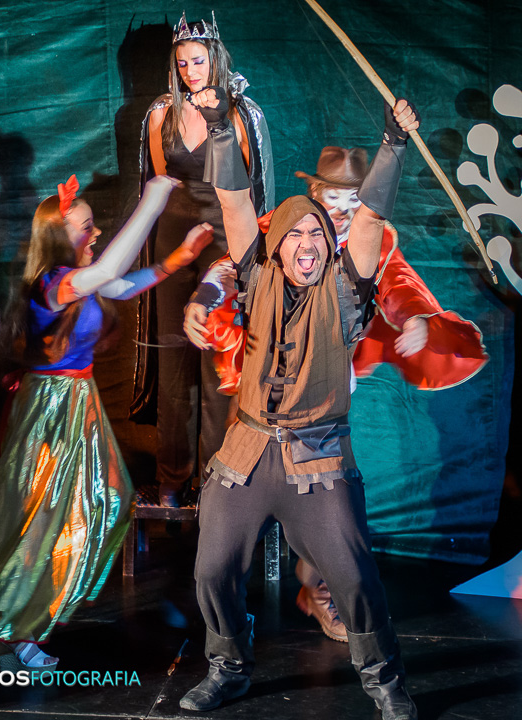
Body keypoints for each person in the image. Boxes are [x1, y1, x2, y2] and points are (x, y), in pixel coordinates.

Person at [178, 84, 421, 720]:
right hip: (248, 451)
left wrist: (393, 142)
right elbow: (234, 202)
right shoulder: (256, 278)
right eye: (297, 233)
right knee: (211, 571)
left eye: (318, 233)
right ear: (278, 245)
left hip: (319, 456)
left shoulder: (344, 291)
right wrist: (220, 129)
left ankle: (384, 680)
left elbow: (369, 220)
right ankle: (229, 667)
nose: (309, 240)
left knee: (356, 578)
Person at [184, 146, 488, 642]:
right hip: (263, 380)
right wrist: (205, 296)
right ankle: (232, 641)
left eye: (354, 198)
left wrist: (415, 319)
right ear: (315, 193)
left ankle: (322, 591)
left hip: (321, 385)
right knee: (238, 513)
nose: (344, 208)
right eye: (334, 197)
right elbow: (230, 262)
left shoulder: (369, 240)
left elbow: (398, 282)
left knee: (326, 508)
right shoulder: (284, 229)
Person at [0, 174, 213, 669]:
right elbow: (111, 270)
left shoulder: (75, 278)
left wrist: (177, 259)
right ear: (57, 234)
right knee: (38, 522)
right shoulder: (53, 284)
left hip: (76, 403)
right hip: (50, 411)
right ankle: (13, 629)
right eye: (85, 226)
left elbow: (121, 283)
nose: (95, 233)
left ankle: (25, 619)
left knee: (98, 504)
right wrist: (153, 200)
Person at [129, 12, 273, 507]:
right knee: (173, 358)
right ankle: (172, 481)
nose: (191, 71)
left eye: (198, 60)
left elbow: (254, 191)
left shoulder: (241, 112)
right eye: (183, 63)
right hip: (174, 241)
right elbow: (158, 183)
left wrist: (244, 260)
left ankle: (215, 483)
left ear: (216, 58)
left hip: (223, 241)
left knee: (216, 362)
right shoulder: (160, 113)